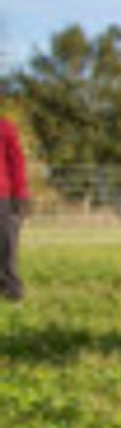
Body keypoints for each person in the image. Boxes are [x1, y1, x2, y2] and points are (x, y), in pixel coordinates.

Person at [0, 116, 30, 301]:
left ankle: (11, 289)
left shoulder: (5, 128)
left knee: (6, 244)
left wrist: (20, 193)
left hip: (2, 196)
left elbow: (16, 162)